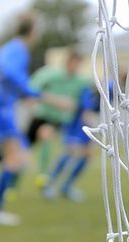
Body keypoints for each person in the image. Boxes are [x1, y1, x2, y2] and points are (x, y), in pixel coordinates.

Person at [0, 14, 71, 225]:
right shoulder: (17, 50)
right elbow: (10, 73)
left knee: (15, 159)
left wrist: (28, 95)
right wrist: (42, 96)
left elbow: (11, 79)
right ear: (32, 31)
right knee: (15, 160)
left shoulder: (12, 49)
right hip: (2, 110)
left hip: (3, 108)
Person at [26, 51, 89, 188]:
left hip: (60, 121)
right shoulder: (51, 74)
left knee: (48, 136)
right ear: (68, 62)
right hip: (41, 116)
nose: (76, 67)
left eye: (79, 64)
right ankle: (14, 183)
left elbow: (85, 98)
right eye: (74, 63)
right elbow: (32, 89)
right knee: (23, 150)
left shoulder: (81, 81)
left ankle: (47, 176)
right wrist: (54, 100)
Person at [43, 84, 100, 202]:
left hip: (85, 125)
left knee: (87, 155)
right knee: (71, 153)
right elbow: (85, 111)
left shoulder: (110, 91)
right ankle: (49, 184)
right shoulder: (89, 90)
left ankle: (66, 187)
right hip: (77, 125)